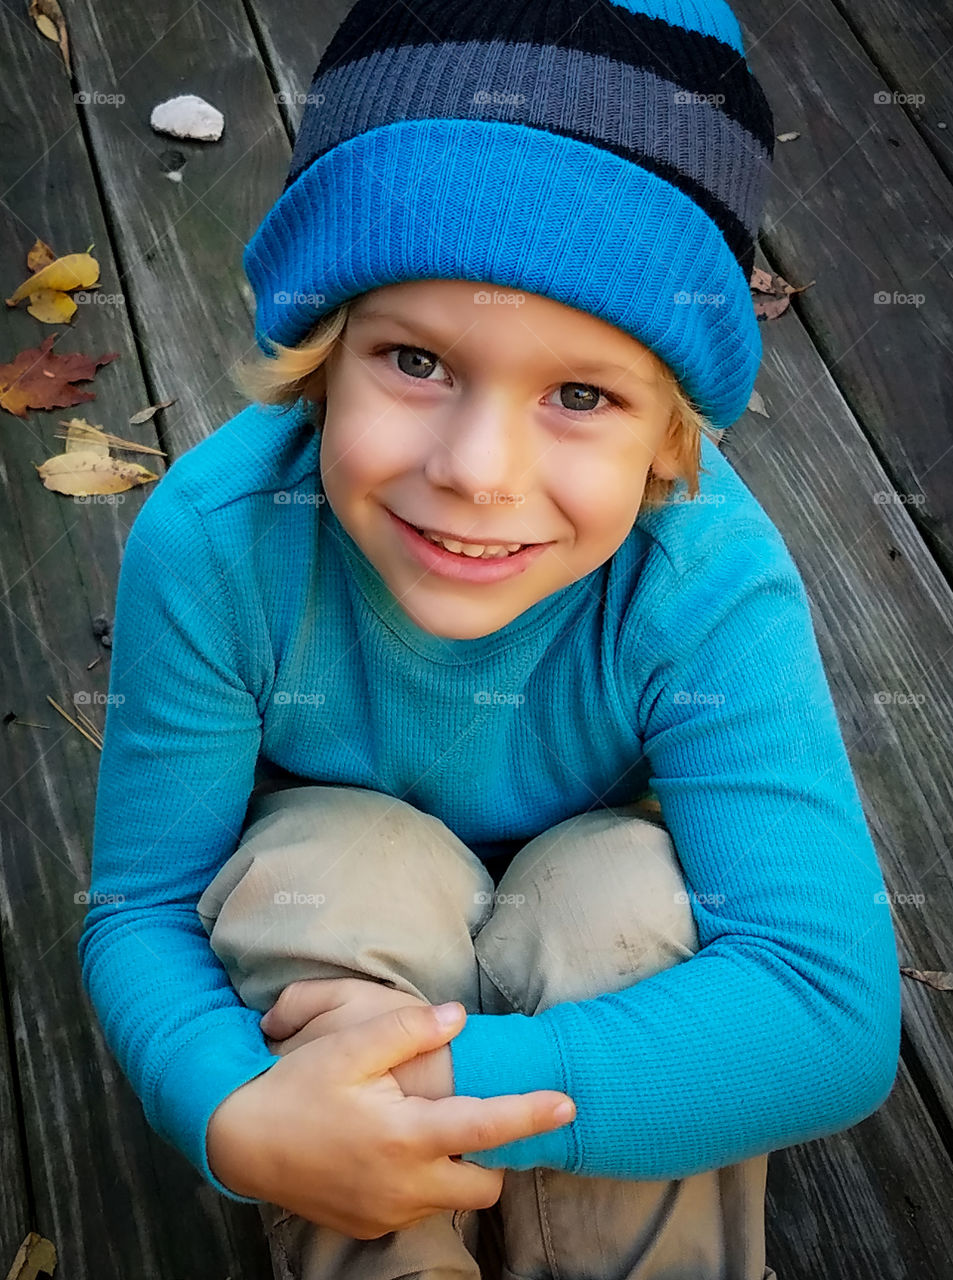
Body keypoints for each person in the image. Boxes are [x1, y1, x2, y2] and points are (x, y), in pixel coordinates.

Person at [77, 1, 902, 1277]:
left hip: (578, 964)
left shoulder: (703, 580)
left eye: (580, 394)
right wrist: (239, 1117)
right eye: (414, 358)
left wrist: (433, 1078)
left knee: (622, 899)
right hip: (342, 930)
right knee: (338, 859)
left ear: (670, 434)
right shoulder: (215, 543)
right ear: (321, 352)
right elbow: (138, 906)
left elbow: (827, 1004)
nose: (475, 469)